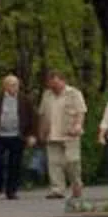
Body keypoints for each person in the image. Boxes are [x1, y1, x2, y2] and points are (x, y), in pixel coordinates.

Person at [36, 70, 88, 202]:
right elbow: (42, 114)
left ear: (63, 81)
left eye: (56, 83)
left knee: (72, 161)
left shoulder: (74, 93)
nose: (54, 86)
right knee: (54, 163)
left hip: (70, 132)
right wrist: (41, 132)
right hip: (52, 134)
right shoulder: (47, 95)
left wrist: (78, 126)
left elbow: (81, 112)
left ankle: (76, 184)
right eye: (51, 83)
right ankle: (57, 189)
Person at [0, 74, 26, 200]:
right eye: (11, 85)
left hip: (17, 135)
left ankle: (11, 191)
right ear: (5, 86)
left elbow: (31, 117)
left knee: (15, 164)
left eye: (16, 85)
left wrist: (31, 135)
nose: (14, 87)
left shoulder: (24, 99)